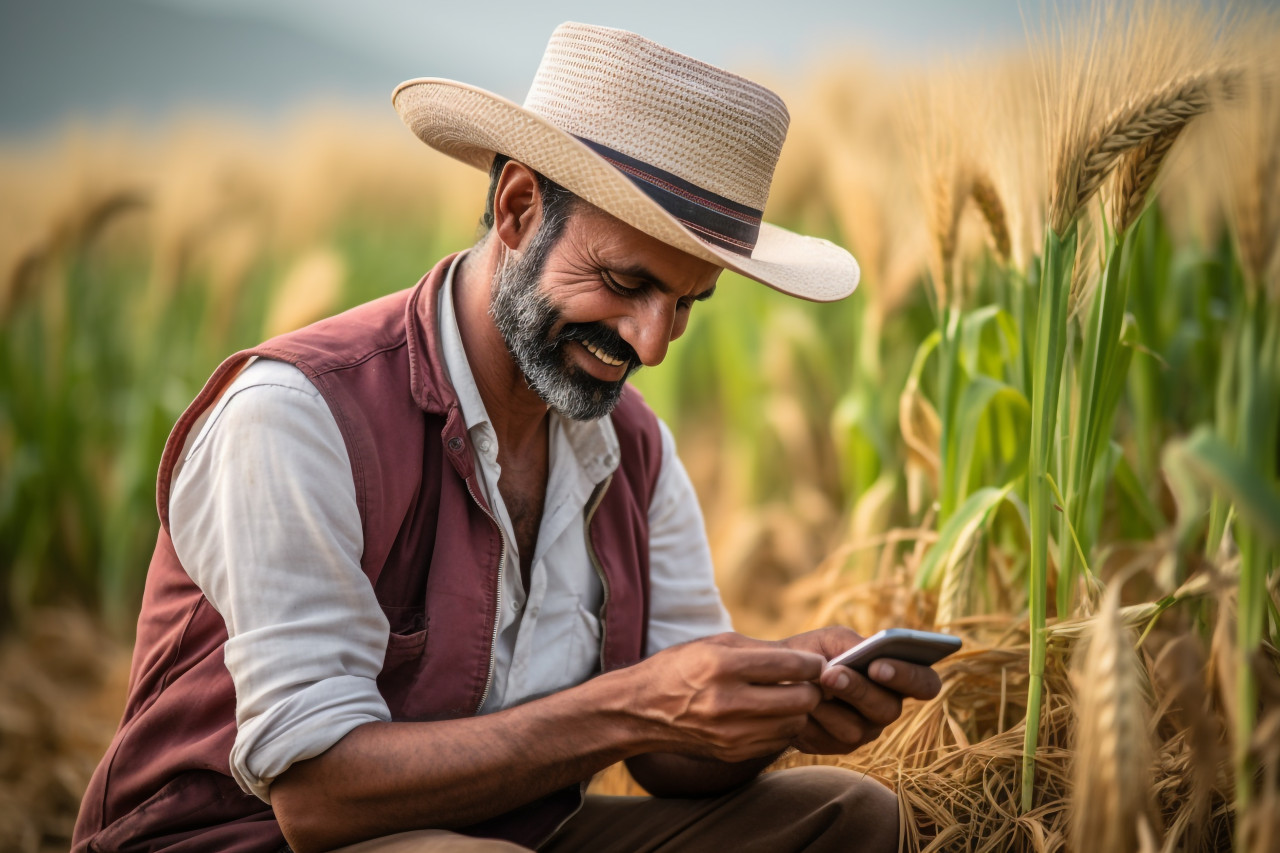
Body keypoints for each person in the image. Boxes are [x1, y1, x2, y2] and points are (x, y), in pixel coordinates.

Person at [73, 22, 941, 853]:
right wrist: (632, 704)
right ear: (519, 206)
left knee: (848, 819)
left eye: (684, 304)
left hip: (513, 835)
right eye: (623, 282)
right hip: (244, 841)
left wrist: (775, 703)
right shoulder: (298, 414)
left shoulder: (633, 452)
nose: (649, 344)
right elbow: (317, 796)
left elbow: (670, 754)